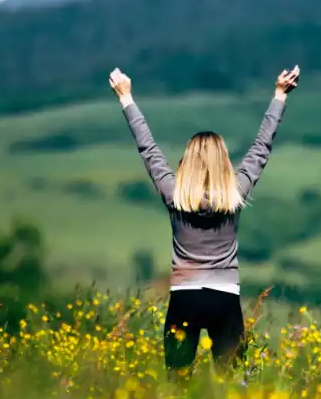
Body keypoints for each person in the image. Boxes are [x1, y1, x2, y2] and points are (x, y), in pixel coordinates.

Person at [109, 65, 300, 377]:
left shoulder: (174, 195)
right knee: (234, 384)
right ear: (223, 161)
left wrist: (126, 98)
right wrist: (279, 95)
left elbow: (148, 149)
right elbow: (260, 149)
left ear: (187, 161)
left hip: (184, 298)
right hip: (225, 298)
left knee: (177, 383)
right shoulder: (235, 194)